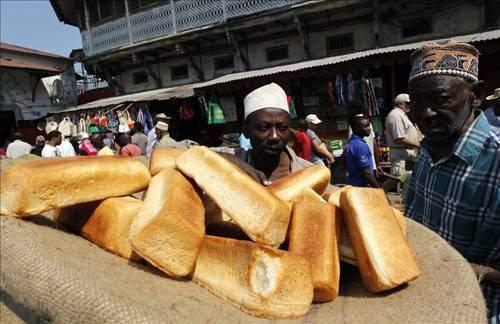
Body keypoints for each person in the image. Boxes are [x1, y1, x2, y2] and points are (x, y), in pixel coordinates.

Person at [405, 40, 499, 322]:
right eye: (417, 103)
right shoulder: (428, 149)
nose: (425, 114)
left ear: (477, 95)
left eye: (441, 100)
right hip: (422, 304)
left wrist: (450, 267)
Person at [216, 83, 311, 185]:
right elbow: (197, 152)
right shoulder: (230, 158)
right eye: (263, 127)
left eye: (282, 128)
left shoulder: (308, 174)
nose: (274, 136)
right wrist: (229, 161)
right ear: (246, 130)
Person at [385, 93, 420, 176]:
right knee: (400, 182)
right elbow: (399, 138)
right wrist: (419, 144)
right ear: (400, 104)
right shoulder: (396, 115)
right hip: (400, 156)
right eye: (407, 103)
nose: (410, 105)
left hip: (406, 155)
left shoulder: (402, 115)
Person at [345, 114, 379, 188]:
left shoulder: (350, 143)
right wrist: (378, 189)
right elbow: (367, 173)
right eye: (365, 126)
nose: (369, 128)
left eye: (369, 125)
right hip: (360, 188)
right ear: (356, 128)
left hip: (352, 185)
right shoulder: (360, 146)